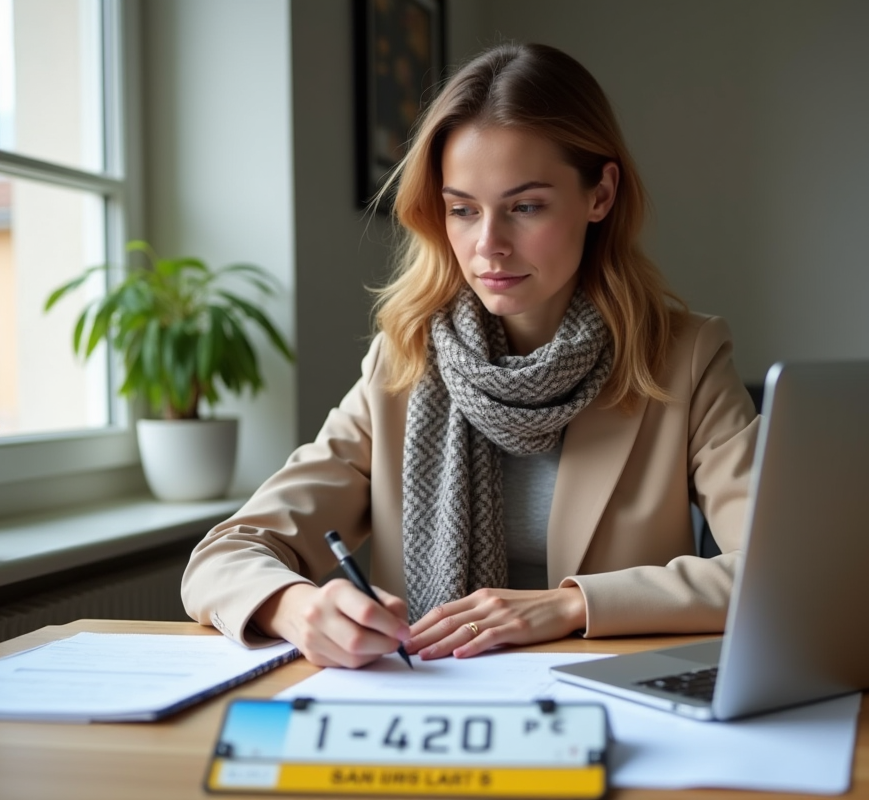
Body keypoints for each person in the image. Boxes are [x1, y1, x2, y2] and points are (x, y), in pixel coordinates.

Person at [181, 42, 760, 668]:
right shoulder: (402, 364)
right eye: (462, 210)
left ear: (601, 194)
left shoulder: (684, 358)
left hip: (615, 705)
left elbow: (781, 570)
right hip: (434, 707)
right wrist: (294, 605)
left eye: (526, 207)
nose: (489, 246)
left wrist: (570, 605)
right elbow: (225, 556)